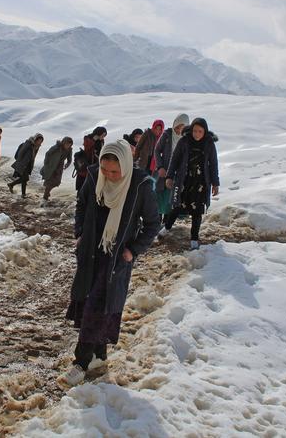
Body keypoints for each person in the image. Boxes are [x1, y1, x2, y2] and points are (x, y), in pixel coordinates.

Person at [61, 139, 161, 386]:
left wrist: (133, 250)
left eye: (115, 171)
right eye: (105, 169)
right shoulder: (95, 177)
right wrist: (79, 233)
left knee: (98, 305)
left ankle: (80, 363)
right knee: (91, 303)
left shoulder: (139, 186)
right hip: (91, 252)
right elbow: (82, 203)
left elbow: (152, 223)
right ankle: (98, 357)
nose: (110, 176)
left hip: (115, 257)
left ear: (126, 166)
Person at [161, 117, 219, 250]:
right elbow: (174, 160)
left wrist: (215, 183)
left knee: (197, 211)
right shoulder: (184, 141)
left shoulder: (209, 143)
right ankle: (166, 228)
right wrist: (169, 176)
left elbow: (213, 164)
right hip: (184, 180)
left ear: (205, 131)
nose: (197, 134)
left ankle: (194, 239)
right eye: (194, 131)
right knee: (176, 206)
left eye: (200, 131)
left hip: (201, 183)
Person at [153, 114, 189, 217]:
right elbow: (157, 150)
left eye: (181, 128)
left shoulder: (187, 139)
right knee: (160, 196)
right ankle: (156, 220)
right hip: (164, 172)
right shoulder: (167, 135)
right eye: (177, 127)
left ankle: (167, 222)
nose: (178, 130)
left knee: (173, 197)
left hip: (177, 174)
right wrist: (160, 167)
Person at [8, 133, 44, 198]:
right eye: (39, 140)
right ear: (35, 139)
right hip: (22, 163)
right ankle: (11, 184)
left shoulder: (36, 146)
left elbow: (33, 156)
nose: (39, 142)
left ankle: (23, 194)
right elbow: (21, 152)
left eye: (41, 141)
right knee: (25, 178)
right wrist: (20, 161)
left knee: (24, 180)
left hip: (28, 164)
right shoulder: (28, 144)